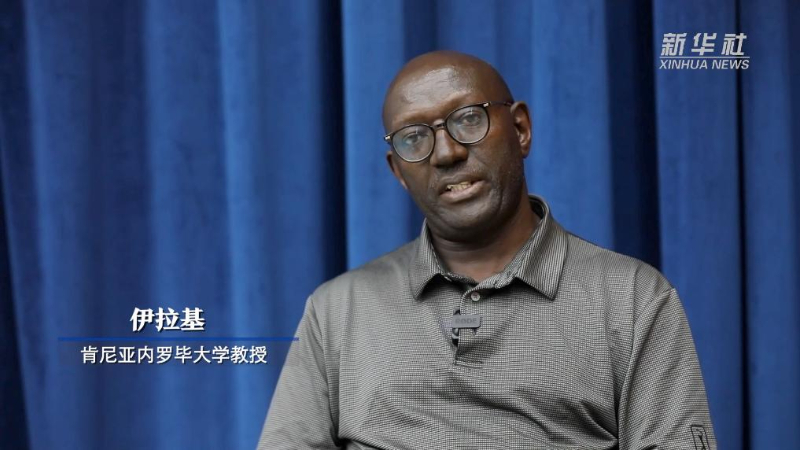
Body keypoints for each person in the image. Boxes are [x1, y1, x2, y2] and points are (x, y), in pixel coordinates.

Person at [257, 50, 716, 450]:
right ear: (398, 172)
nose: (446, 153)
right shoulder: (337, 310)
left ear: (520, 129)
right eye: (414, 137)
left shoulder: (632, 298)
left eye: (468, 119)